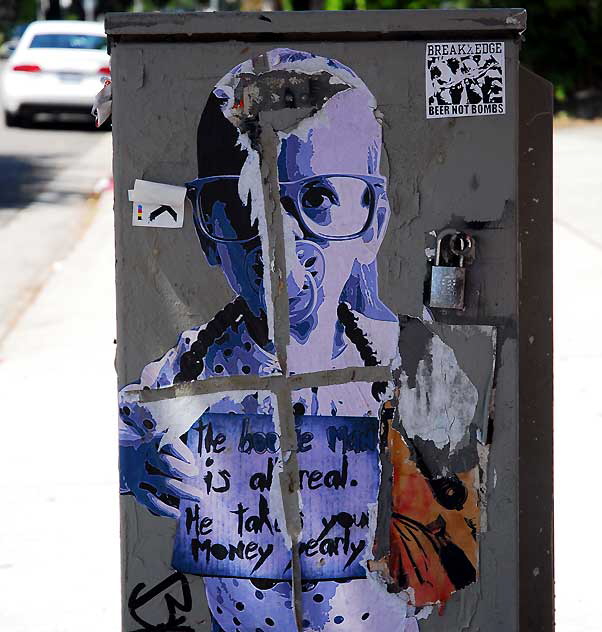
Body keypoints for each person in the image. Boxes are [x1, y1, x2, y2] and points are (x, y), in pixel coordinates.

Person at [119, 48, 475, 632]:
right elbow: (131, 425)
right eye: (241, 206)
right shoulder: (194, 366)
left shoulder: (414, 365)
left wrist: (398, 502)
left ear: (374, 221)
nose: (279, 244)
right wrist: (134, 458)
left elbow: (452, 555)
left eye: (318, 200)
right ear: (209, 234)